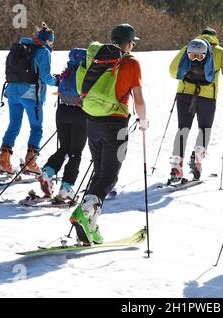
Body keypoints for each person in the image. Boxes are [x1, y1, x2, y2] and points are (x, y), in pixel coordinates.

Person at [69, 23, 148, 244]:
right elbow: (139, 99)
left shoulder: (95, 56)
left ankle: (90, 225)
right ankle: (85, 213)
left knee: (100, 171)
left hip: (91, 119)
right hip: (116, 123)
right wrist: (143, 121)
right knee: (110, 174)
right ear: (130, 43)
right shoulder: (131, 62)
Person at [168, 27, 223, 183]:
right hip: (207, 97)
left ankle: (176, 166)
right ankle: (197, 163)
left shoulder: (188, 48)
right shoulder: (220, 52)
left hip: (184, 94)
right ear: (215, 37)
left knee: (183, 129)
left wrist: (183, 77)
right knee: (204, 129)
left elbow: (172, 70)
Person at [0, 23, 58, 176]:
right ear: (48, 40)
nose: (51, 45)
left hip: (12, 92)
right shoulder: (43, 52)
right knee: (36, 128)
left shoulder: (20, 46)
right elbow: (45, 77)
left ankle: (4, 160)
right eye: (52, 42)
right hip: (31, 95)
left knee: (14, 124)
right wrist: (59, 81)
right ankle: (31, 162)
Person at [38, 48, 88, 200]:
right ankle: (66, 187)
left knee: (65, 148)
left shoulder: (67, 70)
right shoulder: (85, 71)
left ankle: (48, 171)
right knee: (76, 152)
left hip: (62, 112)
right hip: (80, 113)